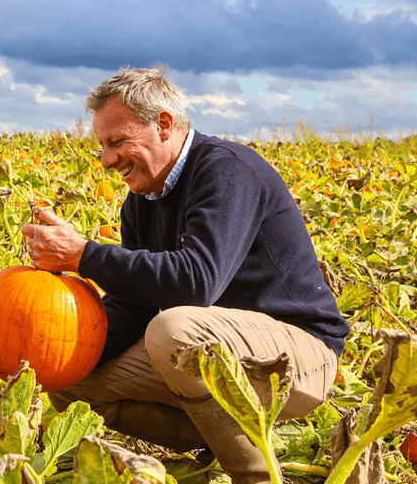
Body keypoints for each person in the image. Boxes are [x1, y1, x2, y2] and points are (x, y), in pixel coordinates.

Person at [20, 66, 350, 483]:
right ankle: (212, 442)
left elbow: (196, 282)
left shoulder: (226, 170)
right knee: (67, 375)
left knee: (173, 329)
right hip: (218, 354)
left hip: (299, 357)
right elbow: (133, 305)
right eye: (102, 146)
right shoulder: (141, 200)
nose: (106, 160)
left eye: (117, 142)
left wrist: (83, 255)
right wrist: (53, 348)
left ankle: (256, 475)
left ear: (163, 124)